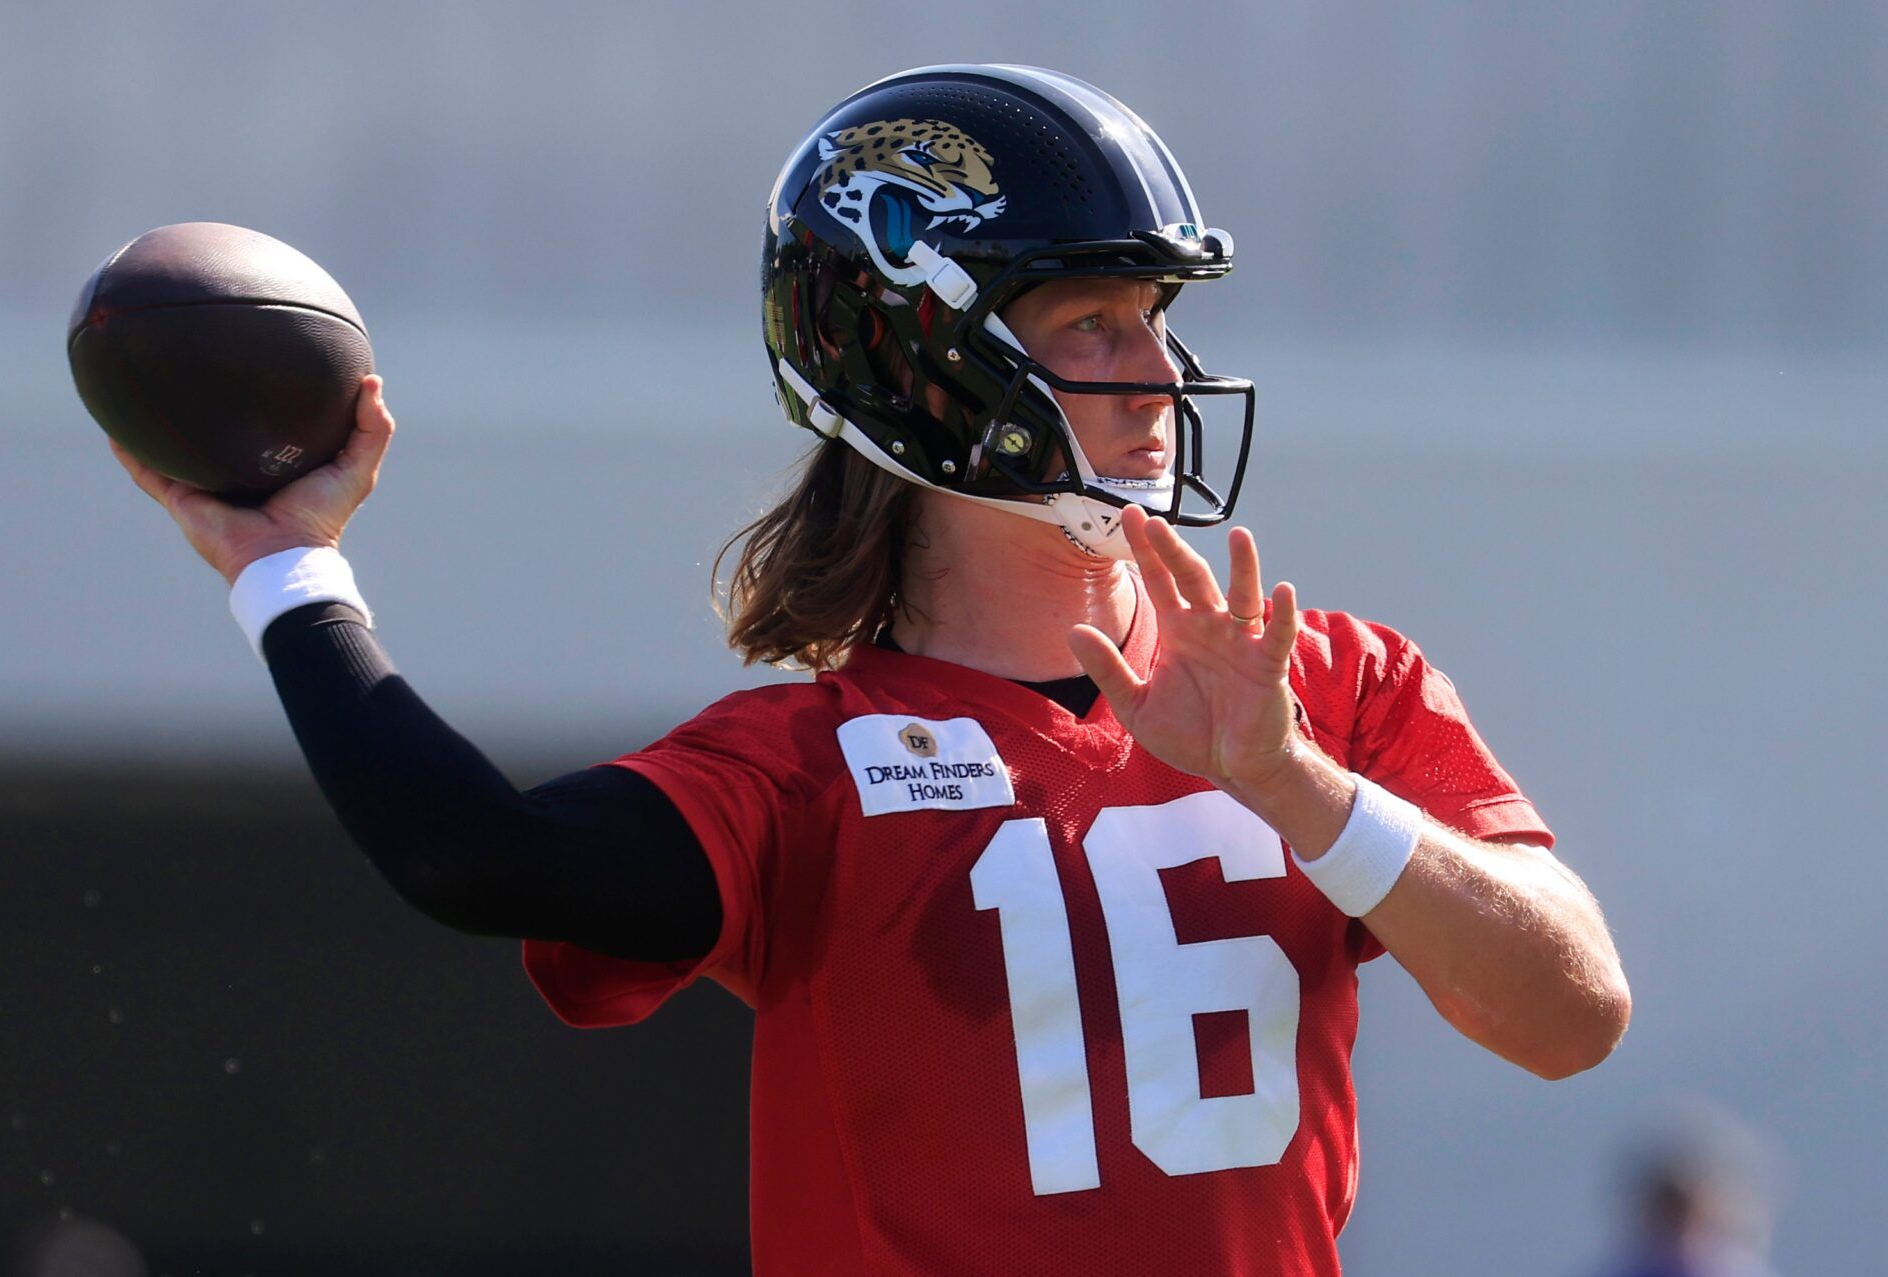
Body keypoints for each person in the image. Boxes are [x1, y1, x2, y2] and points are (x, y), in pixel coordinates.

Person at [111, 64, 1630, 1277]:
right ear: (923, 361)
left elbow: (1573, 1016)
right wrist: (285, 570)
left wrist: (1298, 787)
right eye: (1095, 319)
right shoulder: (804, 771)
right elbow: (480, 856)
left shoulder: (1324, 689)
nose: (1159, 370)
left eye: (1159, 318)